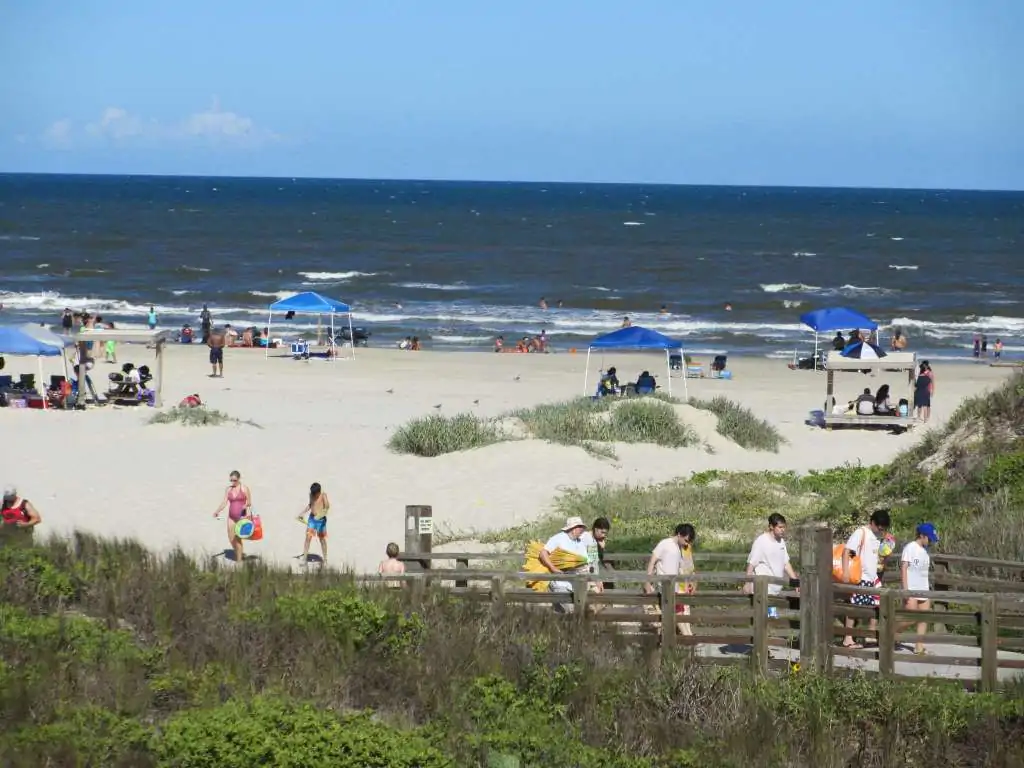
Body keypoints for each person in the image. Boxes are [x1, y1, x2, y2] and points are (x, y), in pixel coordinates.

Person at [840, 508, 891, 649]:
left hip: (873, 577)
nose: (881, 529)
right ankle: (848, 638)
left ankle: (869, 635)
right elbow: (847, 551)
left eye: (883, 528)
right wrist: (845, 572)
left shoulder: (878, 536)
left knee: (877, 605)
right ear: (872, 522)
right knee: (855, 607)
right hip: (860, 576)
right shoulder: (861, 532)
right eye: (879, 526)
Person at [644, 524, 697, 636]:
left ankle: (688, 636)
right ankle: (688, 638)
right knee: (678, 611)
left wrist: (689, 582)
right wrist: (647, 582)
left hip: (675, 586)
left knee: (681, 612)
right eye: (686, 540)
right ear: (679, 535)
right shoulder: (665, 544)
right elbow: (652, 562)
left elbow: (681, 568)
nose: (687, 544)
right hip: (665, 587)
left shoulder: (679, 548)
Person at [744, 514, 799, 612]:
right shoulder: (761, 542)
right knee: (768, 619)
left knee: (773, 621)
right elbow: (751, 564)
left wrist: (795, 582)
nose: (783, 530)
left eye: (784, 527)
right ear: (771, 527)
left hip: (776, 590)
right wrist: (747, 583)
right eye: (780, 527)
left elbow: (786, 563)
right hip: (764, 590)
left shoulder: (781, 542)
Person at [900, 523, 939, 655]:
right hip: (911, 588)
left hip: (924, 588)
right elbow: (904, 568)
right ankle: (889, 633)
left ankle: (919, 645)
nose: (931, 542)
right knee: (909, 618)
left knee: (924, 617)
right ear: (922, 536)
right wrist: (906, 590)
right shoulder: (910, 548)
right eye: (929, 538)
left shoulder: (925, 551)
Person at [539, 516, 590, 607]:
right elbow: (543, 553)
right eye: (580, 527)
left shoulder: (580, 542)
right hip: (560, 583)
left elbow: (585, 561)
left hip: (576, 584)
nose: (582, 529)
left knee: (581, 608)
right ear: (573, 528)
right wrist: (553, 568)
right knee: (568, 610)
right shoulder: (559, 538)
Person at [212, 471, 252, 562]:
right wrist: (217, 511)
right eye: (231, 480)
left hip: (241, 516)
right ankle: (239, 552)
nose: (233, 482)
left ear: (239, 479)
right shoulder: (228, 489)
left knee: (238, 539)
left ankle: (239, 560)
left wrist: (245, 507)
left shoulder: (244, 488)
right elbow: (224, 502)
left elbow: (249, 502)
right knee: (231, 538)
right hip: (231, 517)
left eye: (234, 480)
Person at [297, 482, 330, 566]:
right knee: (308, 538)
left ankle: (325, 559)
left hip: (321, 520)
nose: (314, 496)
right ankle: (304, 559)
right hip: (312, 519)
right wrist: (302, 513)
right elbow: (310, 505)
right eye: (313, 494)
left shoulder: (323, 495)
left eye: (315, 494)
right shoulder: (311, 495)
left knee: (322, 539)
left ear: (319, 492)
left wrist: (319, 516)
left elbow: (327, 507)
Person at [579, 517, 612, 595]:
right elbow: (592, 563)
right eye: (602, 532)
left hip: (589, 574)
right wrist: (596, 580)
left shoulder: (593, 539)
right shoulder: (588, 540)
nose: (604, 535)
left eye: (605, 533)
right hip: (584, 574)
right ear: (596, 529)